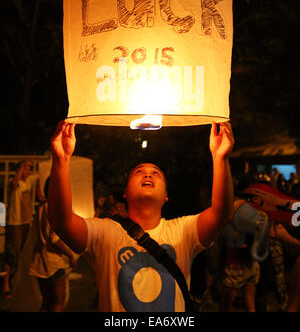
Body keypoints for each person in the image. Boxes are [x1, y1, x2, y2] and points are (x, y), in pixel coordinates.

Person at [48, 120, 234, 312]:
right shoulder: (105, 233)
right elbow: (61, 222)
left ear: (166, 196)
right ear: (125, 193)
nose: (148, 175)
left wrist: (221, 159)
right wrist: (61, 160)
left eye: (156, 173)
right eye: (139, 172)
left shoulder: (183, 231)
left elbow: (221, 214)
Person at [28, 177, 77, 312]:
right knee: (58, 303)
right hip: (54, 263)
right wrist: (71, 255)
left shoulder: (42, 208)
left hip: (39, 261)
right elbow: (55, 240)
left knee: (46, 303)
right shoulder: (55, 208)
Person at [2, 159, 45, 297]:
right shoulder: (11, 181)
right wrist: (21, 166)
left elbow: (41, 175)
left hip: (26, 223)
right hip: (14, 223)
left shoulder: (28, 181)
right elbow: (15, 182)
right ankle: (6, 285)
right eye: (24, 168)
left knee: (24, 254)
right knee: (12, 254)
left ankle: (19, 284)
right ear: (19, 169)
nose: (27, 171)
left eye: (28, 169)